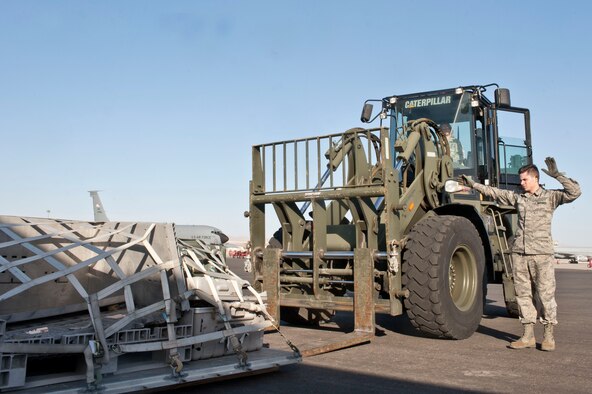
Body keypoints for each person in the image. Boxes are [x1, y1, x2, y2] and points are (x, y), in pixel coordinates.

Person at [461, 157, 581, 351]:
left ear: (535, 178)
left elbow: (575, 192)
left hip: (542, 254)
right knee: (523, 295)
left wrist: (558, 175)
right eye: (521, 180)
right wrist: (473, 184)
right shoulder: (519, 198)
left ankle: (549, 335)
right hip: (520, 254)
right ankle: (528, 335)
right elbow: (495, 193)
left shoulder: (550, 197)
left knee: (545, 295)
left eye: (524, 179)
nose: (521, 183)